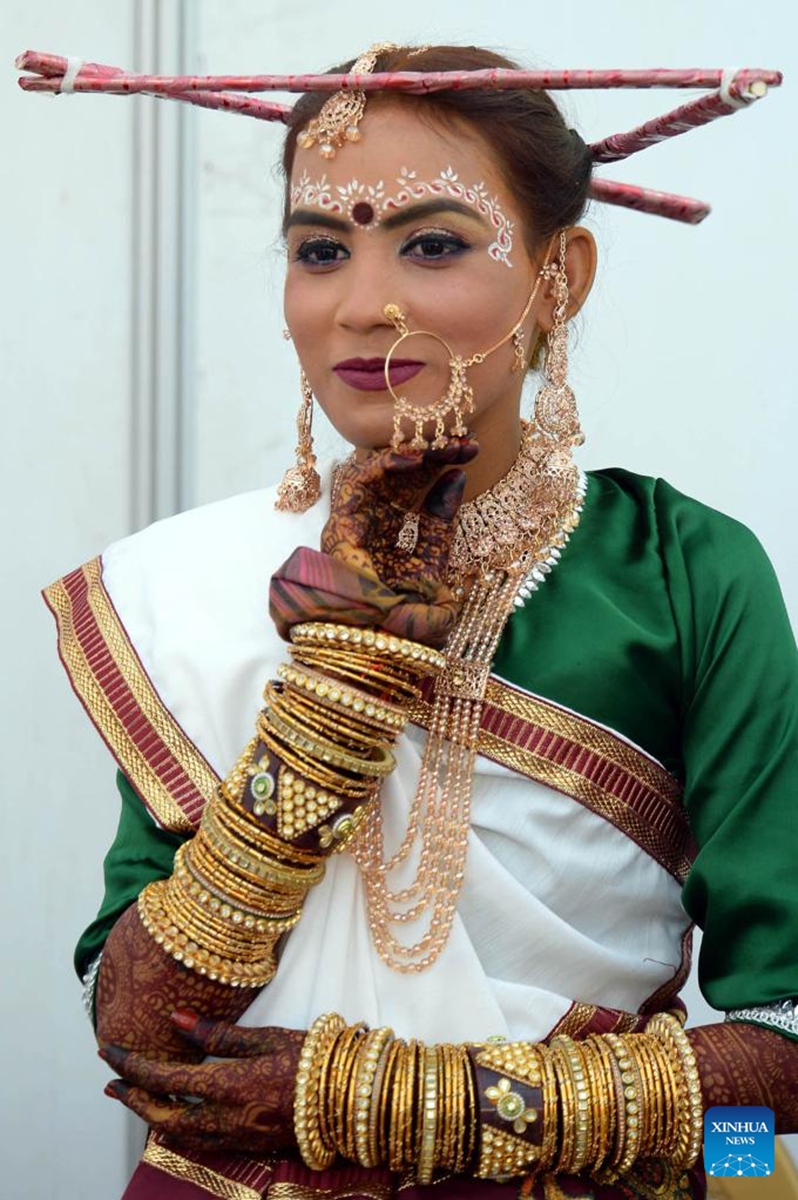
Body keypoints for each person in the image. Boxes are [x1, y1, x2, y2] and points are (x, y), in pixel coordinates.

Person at [44, 43, 798, 1200]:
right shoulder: (194, 588)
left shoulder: (682, 574)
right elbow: (140, 1030)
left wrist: (384, 1106)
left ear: (562, 276)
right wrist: (331, 703)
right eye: (319, 252)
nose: (359, 306)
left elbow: (785, 1047)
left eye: (434, 244)